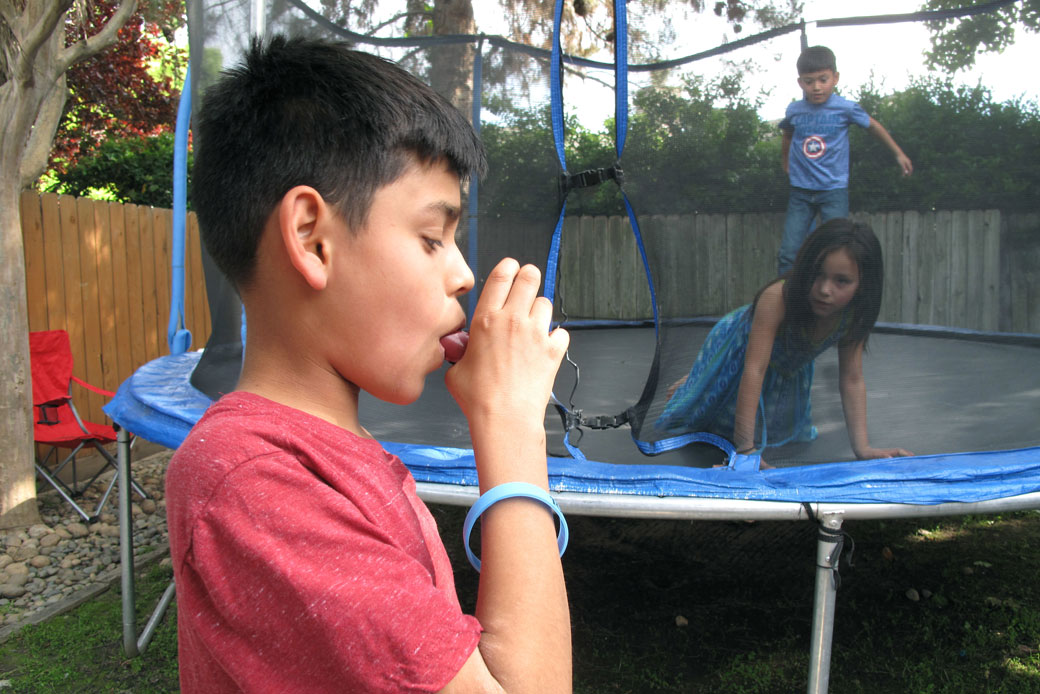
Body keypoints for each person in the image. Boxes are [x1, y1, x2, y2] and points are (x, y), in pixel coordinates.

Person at [165, 35, 572, 693]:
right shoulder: (255, 485)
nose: (464, 274)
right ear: (312, 240)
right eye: (432, 238)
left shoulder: (322, 453)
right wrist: (512, 429)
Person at [657, 218, 911, 467]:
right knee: (704, 417)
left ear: (863, 284)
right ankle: (694, 378)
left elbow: (852, 378)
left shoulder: (853, 313)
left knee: (781, 435)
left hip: (787, 363)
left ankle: (695, 377)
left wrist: (862, 448)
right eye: (817, 275)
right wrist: (745, 449)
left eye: (841, 281)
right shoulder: (776, 298)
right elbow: (754, 369)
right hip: (738, 344)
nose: (824, 289)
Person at [777, 45, 912, 275]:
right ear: (800, 83)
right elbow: (788, 135)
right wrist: (785, 161)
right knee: (789, 252)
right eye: (809, 82)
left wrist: (898, 153)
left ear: (835, 78)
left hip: (833, 191)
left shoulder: (845, 108)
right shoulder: (795, 110)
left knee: (836, 249)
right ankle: (785, 300)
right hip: (801, 192)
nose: (816, 87)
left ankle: (832, 300)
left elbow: (873, 126)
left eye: (823, 79)